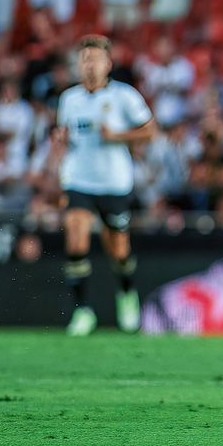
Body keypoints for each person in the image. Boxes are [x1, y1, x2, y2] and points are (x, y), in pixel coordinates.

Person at [55, 35, 158, 336]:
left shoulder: (124, 96)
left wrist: (118, 136)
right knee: (75, 240)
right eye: (84, 58)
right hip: (78, 180)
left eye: (95, 58)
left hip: (114, 182)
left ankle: (126, 294)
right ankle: (83, 310)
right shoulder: (69, 99)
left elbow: (150, 131)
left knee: (119, 251)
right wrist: (61, 141)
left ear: (108, 64)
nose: (89, 64)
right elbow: (67, 136)